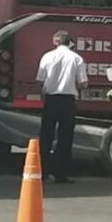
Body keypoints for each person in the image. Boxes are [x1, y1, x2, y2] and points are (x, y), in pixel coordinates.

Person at [36, 30, 88, 183]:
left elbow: (39, 80)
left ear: (56, 42)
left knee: (46, 136)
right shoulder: (77, 58)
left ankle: (43, 172)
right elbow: (83, 82)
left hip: (51, 99)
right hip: (68, 101)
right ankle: (61, 173)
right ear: (70, 43)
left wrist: (43, 91)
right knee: (65, 138)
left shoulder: (47, 56)